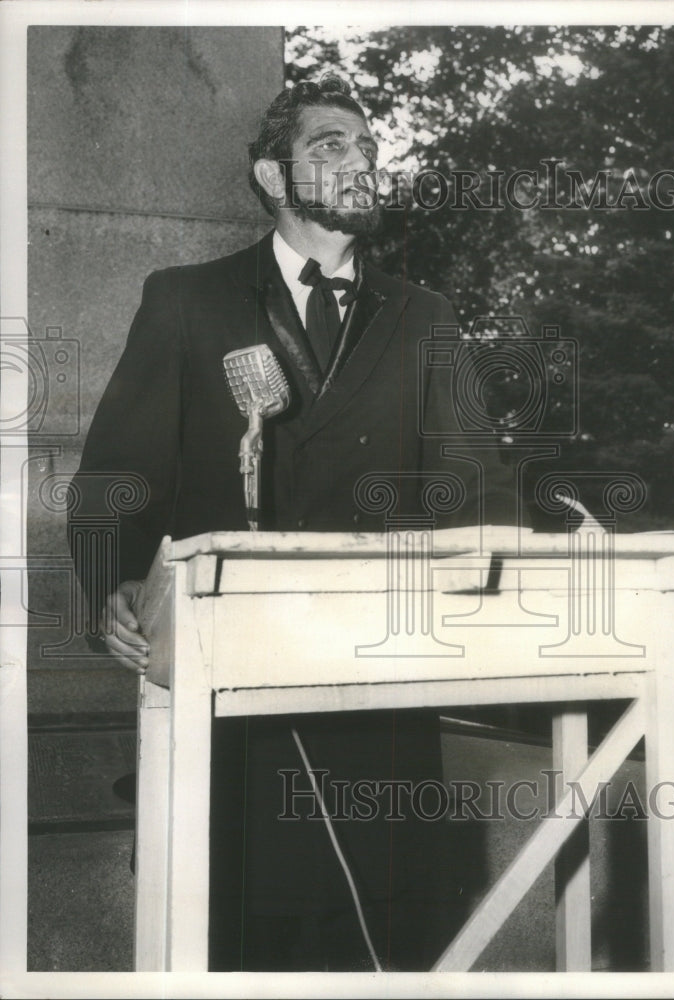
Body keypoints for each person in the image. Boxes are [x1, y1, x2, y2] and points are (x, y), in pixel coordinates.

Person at [70, 75, 521, 970]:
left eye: (368, 146)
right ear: (274, 178)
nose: (361, 161)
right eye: (330, 145)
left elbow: (477, 487)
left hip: (380, 691)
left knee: (379, 939)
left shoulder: (425, 315)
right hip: (228, 690)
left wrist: (492, 570)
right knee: (236, 933)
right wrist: (117, 585)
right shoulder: (187, 300)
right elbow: (114, 479)